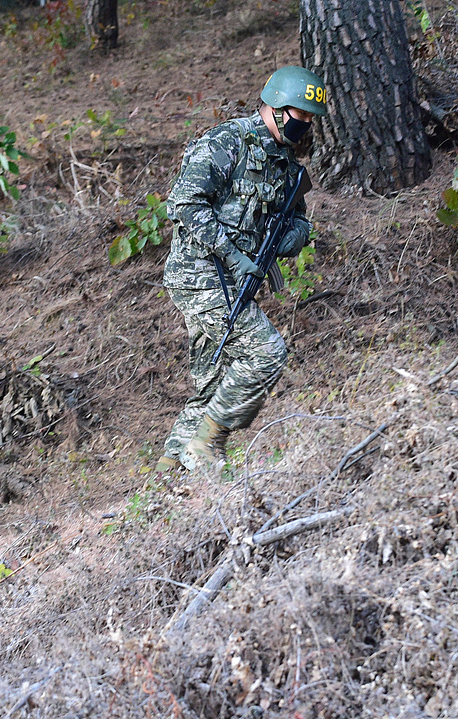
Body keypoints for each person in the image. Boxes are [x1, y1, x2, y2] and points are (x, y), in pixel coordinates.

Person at [158, 66, 327, 474]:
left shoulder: (285, 164)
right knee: (266, 353)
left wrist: (295, 237)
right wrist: (232, 254)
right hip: (199, 276)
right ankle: (207, 445)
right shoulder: (227, 142)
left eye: (308, 120)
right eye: (297, 116)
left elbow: (300, 219)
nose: (302, 126)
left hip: (236, 283)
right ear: (273, 106)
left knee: (215, 380)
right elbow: (183, 203)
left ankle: (167, 469)